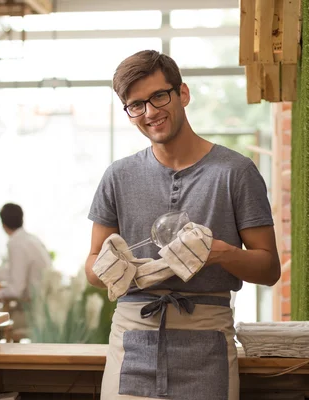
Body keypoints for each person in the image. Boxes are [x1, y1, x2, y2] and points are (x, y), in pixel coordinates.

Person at [85, 50, 280, 400]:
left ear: (183, 94)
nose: (150, 112)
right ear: (129, 114)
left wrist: (219, 253)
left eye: (159, 96)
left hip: (207, 338)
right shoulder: (118, 175)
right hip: (132, 337)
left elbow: (268, 269)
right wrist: (110, 268)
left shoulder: (236, 172)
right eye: (136, 105)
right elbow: (91, 267)